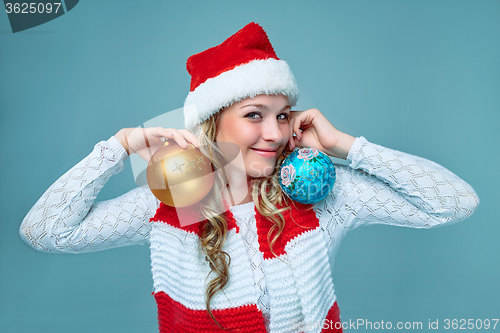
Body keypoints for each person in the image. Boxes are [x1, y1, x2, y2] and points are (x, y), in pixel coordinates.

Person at [20, 22, 479, 333]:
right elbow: (45, 233)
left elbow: (456, 202)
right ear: (213, 123)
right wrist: (115, 149)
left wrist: (344, 145)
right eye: (254, 115)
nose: (275, 132)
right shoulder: (170, 205)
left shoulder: (320, 192)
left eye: (283, 115)